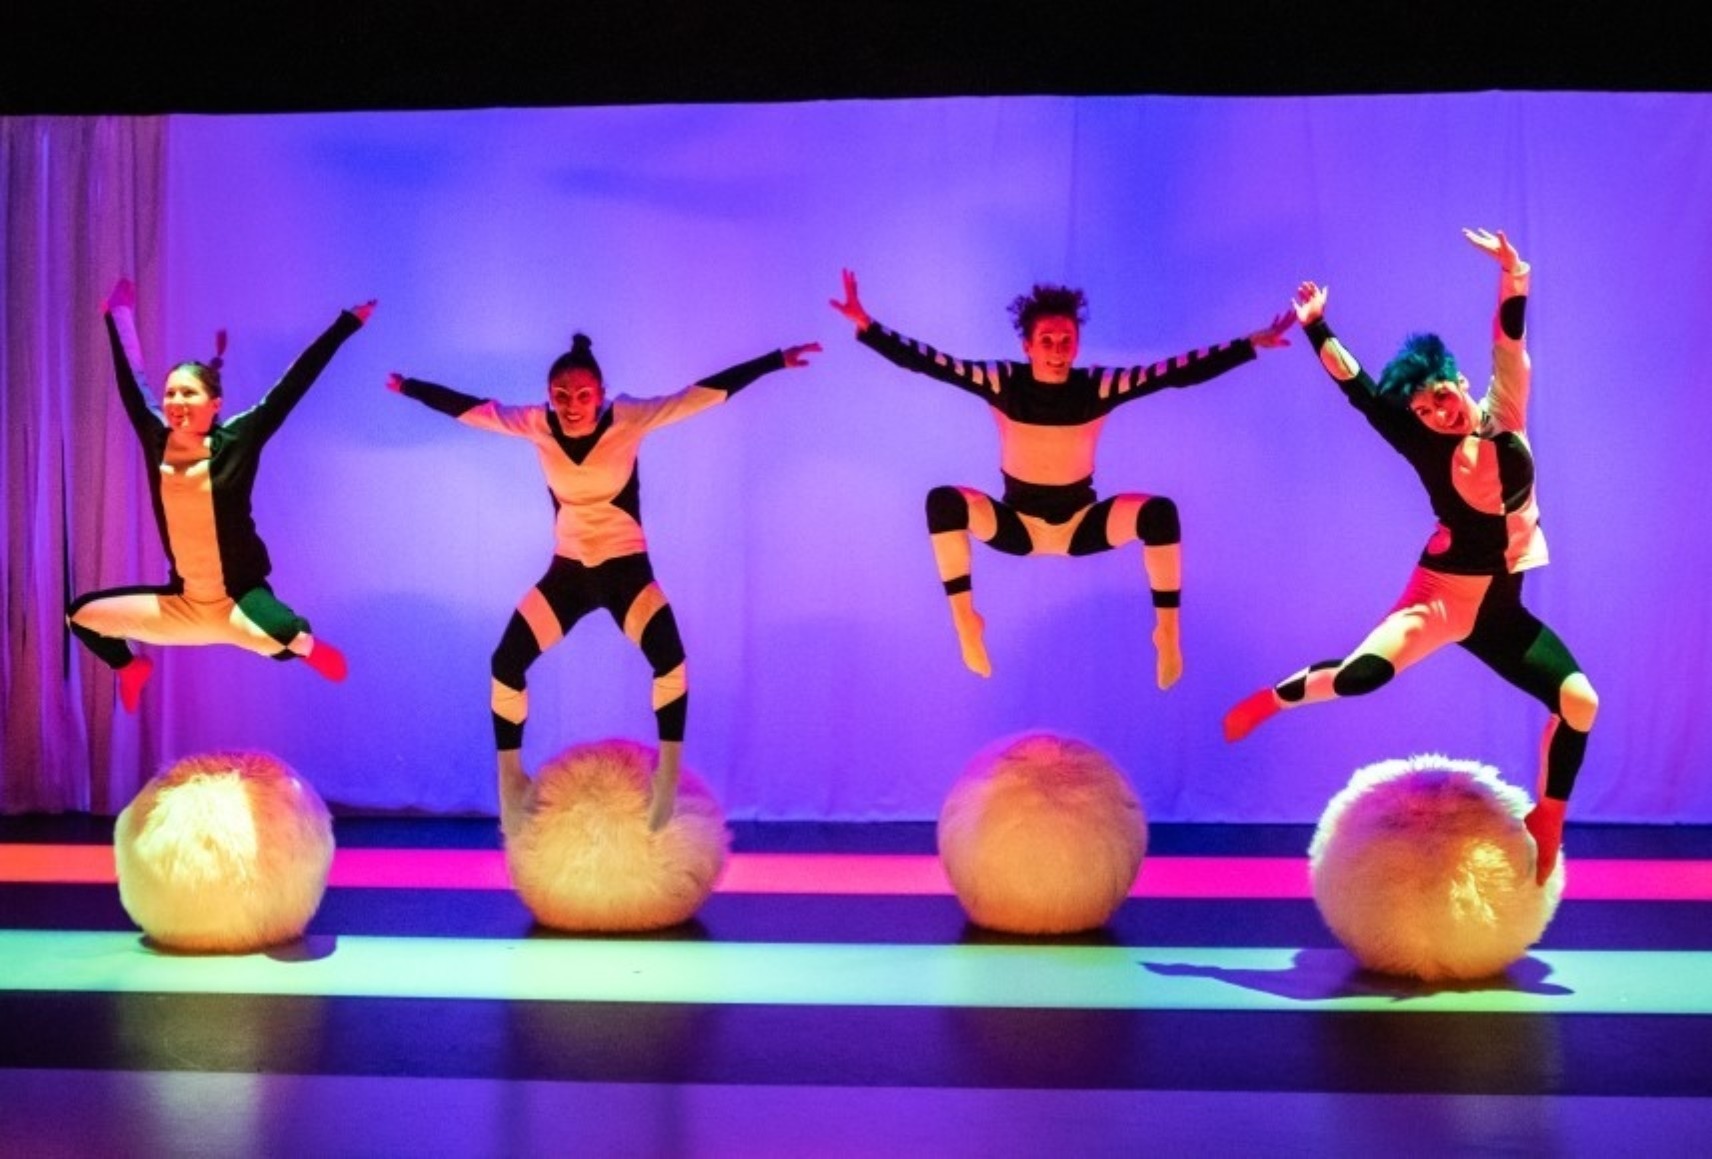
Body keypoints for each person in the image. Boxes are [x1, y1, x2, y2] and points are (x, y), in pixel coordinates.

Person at [1221, 228, 1597, 885]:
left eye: (1441, 398)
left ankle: (1550, 816)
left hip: (1500, 611)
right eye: (1422, 409)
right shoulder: (1419, 438)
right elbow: (1360, 389)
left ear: (1458, 383)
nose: (1435, 414)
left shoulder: (1503, 411)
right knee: (1362, 676)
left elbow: (1508, 340)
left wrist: (1514, 275)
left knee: (1581, 702)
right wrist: (1316, 326)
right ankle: (1274, 699)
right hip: (1440, 599)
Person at [389, 332, 820, 831]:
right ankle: (510, 781)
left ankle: (667, 779)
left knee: (670, 661)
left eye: (584, 396)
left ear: (601, 392)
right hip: (569, 573)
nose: (572, 407)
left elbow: (700, 395)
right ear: (549, 395)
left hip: (625, 572)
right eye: (561, 396)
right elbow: (471, 410)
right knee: (506, 663)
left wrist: (774, 361)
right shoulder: (535, 424)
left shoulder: (630, 418)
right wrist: (411, 388)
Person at [831, 269, 1292, 686]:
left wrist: (1250, 343)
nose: (1057, 350)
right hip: (1017, 526)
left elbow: (1174, 373)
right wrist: (868, 328)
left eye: (1066, 340)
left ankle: (1167, 632)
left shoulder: (1098, 387)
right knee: (943, 501)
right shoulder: (1001, 381)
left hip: (1080, 525)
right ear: (1027, 345)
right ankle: (965, 620)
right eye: (1047, 340)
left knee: (1159, 514)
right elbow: (930, 362)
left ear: (1077, 344)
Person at [67, 277, 372, 712]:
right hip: (184, 605)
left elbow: (290, 388)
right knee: (80, 617)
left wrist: (345, 325)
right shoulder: (157, 438)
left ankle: (299, 646)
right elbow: (132, 381)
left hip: (238, 601)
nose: (175, 400)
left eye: (187, 392)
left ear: (215, 404)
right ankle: (130, 668)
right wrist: (116, 313)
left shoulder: (238, 439)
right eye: (171, 392)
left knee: (296, 638)